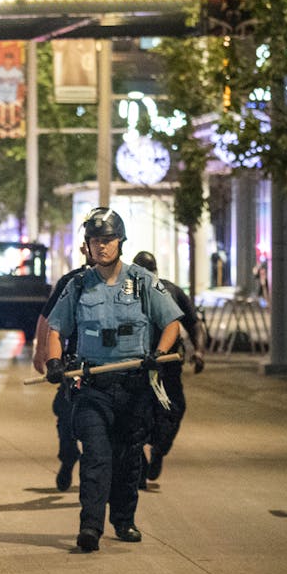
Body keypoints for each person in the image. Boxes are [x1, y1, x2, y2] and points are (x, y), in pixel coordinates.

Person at [43, 209, 183, 553]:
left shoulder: (143, 282)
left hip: (134, 387)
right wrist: (54, 361)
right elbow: (56, 328)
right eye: (95, 241)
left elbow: (172, 324)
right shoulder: (77, 285)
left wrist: (158, 352)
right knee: (96, 456)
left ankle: (123, 520)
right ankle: (90, 526)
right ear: (87, 246)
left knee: (128, 458)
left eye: (107, 240)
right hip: (92, 387)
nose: (101, 246)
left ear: (120, 242)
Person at [130, 252, 207, 487]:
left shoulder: (170, 292)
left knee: (173, 409)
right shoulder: (124, 294)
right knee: (136, 414)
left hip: (168, 364)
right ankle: (138, 463)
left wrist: (199, 352)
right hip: (137, 365)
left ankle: (159, 450)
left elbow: (194, 323)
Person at [31, 243, 90, 492]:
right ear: (84, 248)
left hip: (111, 366)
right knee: (66, 415)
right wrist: (42, 350)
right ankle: (68, 459)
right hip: (74, 364)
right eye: (94, 241)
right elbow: (48, 316)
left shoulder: (128, 280)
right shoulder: (72, 281)